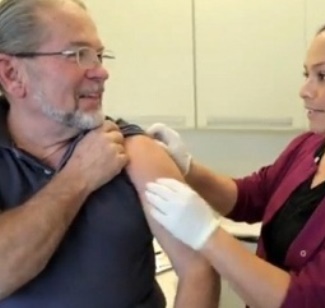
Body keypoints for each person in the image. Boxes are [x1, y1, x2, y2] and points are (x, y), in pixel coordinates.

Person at [145, 13, 325, 308]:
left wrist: (207, 234)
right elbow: (250, 197)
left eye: (323, 76)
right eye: (306, 75)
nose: (305, 90)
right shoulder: (309, 146)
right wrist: (188, 169)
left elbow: (308, 300)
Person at [0, 0, 220, 307]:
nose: (102, 72)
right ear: (11, 73)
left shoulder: (135, 152)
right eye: (78, 55)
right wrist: (78, 177)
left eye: (99, 55)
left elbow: (199, 270)